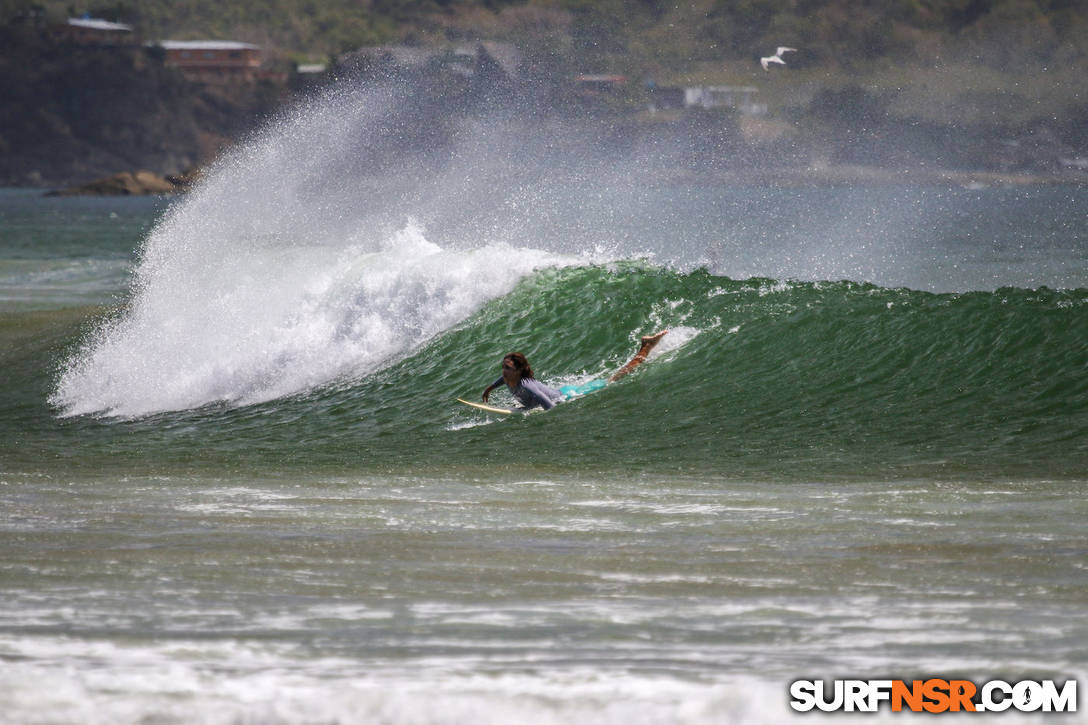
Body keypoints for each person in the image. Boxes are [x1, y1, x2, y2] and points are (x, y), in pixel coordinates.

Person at [482, 330, 668, 410]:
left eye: (508, 368)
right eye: (503, 367)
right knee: (612, 378)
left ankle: (646, 347)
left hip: (567, 395)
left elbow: (549, 404)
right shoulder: (508, 378)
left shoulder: (527, 385)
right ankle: (645, 346)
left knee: (614, 379)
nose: (504, 371)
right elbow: (500, 380)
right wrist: (488, 390)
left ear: (519, 370)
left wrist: (543, 418)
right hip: (563, 390)